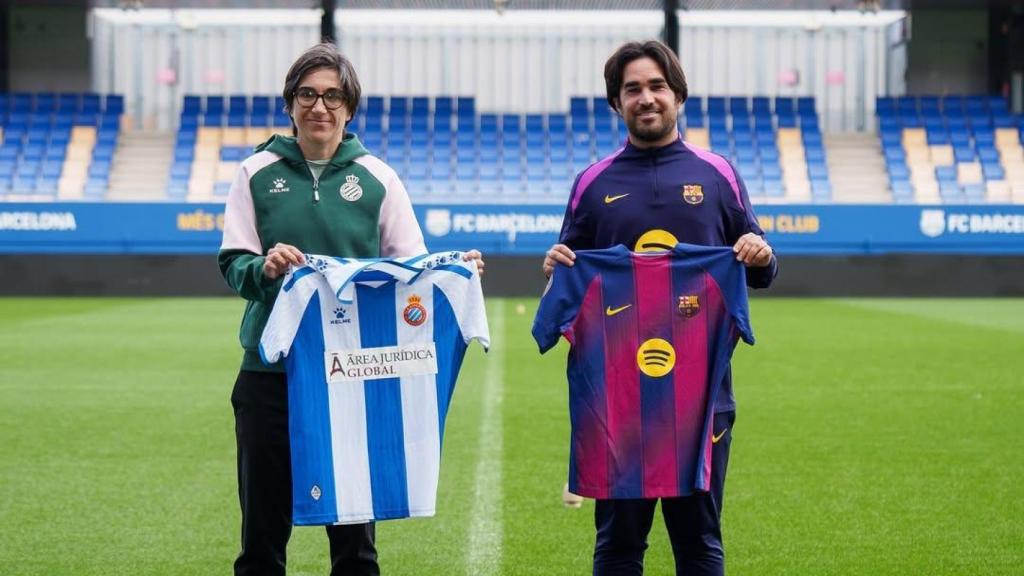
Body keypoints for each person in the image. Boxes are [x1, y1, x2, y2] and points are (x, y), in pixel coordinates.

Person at [218, 43, 483, 576]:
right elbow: (233, 262)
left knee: (356, 544)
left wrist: (455, 266)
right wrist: (264, 269)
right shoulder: (254, 172)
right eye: (307, 94)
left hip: (350, 376)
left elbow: (411, 271)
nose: (320, 106)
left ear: (350, 107)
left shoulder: (378, 177)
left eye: (333, 95)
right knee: (262, 536)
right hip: (269, 373)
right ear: (290, 104)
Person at [541, 40, 777, 576]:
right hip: (618, 400)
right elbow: (570, 275)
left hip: (701, 401)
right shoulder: (592, 183)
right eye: (632, 90)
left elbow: (760, 271)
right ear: (616, 102)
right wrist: (557, 268)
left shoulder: (718, 173)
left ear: (678, 95)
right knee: (619, 546)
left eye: (656, 87)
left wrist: (760, 255)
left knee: (698, 544)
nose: (646, 98)